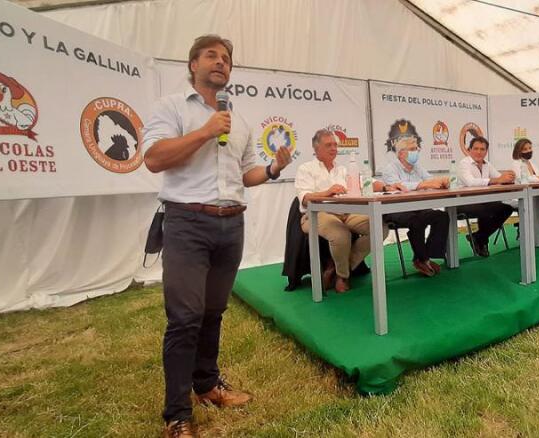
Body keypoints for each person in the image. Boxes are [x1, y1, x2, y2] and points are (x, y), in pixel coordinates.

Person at [142, 35, 292, 438]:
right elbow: (154, 158)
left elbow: (247, 175)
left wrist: (274, 169)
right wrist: (206, 131)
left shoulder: (237, 120)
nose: (221, 63)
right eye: (211, 56)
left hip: (231, 224)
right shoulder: (171, 107)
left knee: (213, 312)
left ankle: (207, 385)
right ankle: (177, 414)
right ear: (193, 64)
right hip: (187, 223)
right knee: (184, 318)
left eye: (226, 59)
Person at [295, 129, 372, 293]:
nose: (333, 148)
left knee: (379, 228)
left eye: (335, 145)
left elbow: (364, 183)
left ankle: (339, 267)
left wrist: (386, 186)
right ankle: (342, 276)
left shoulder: (343, 169)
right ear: (316, 149)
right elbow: (305, 197)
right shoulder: (306, 168)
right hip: (316, 215)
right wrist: (327, 192)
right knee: (341, 234)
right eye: (328, 145)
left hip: (345, 212)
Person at [381, 122, 450, 277]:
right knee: (417, 219)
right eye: (412, 150)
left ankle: (426, 256)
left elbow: (430, 181)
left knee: (442, 216)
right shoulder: (390, 169)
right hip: (394, 210)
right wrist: (422, 184)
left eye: (416, 149)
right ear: (401, 154)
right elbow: (400, 187)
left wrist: (441, 182)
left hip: (417, 207)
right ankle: (423, 258)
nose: (416, 152)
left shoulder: (417, 166)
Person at [456, 136, 515, 256]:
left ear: (486, 151)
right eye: (476, 148)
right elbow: (470, 182)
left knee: (507, 208)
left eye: (482, 149)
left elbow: (499, 178)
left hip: (484, 202)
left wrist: (508, 177)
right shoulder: (464, 164)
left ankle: (478, 237)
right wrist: (497, 180)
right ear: (469, 150)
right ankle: (481, 240)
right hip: (463, 203)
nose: (479, 152)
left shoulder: (487, 164)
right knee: (488, 209)